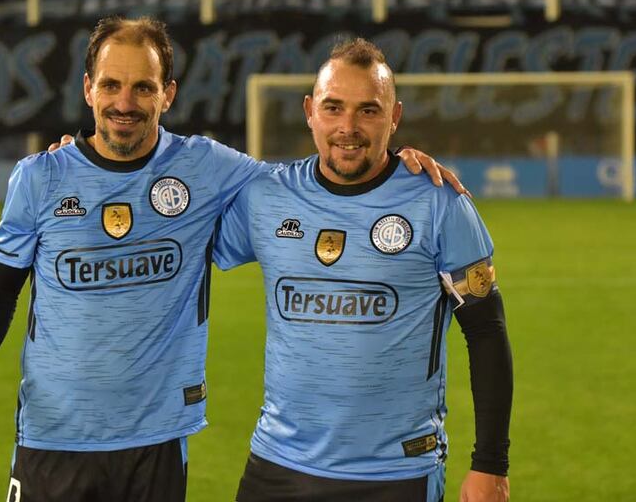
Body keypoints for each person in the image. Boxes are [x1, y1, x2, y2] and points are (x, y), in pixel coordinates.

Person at [0, 17, 462, 502]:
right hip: (53, 436)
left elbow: (314, 183)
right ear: (88, 89)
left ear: (168, 95)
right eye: (112, 85)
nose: (125, 101)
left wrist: (394, 167)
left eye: (143, 86)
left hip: (156, 440)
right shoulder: (39, 178)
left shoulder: (207, 167)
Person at [213, 38, 513, 502]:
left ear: (394, 118)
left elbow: (487, 332)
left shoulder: (439, 203)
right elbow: (172, 240)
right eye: (333, 108)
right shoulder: (266, 198)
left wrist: (490, 464)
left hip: (395, 473)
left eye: (368, 111)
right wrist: (79, 160)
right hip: (278, 465)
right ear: (310, 111)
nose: (347, 127)